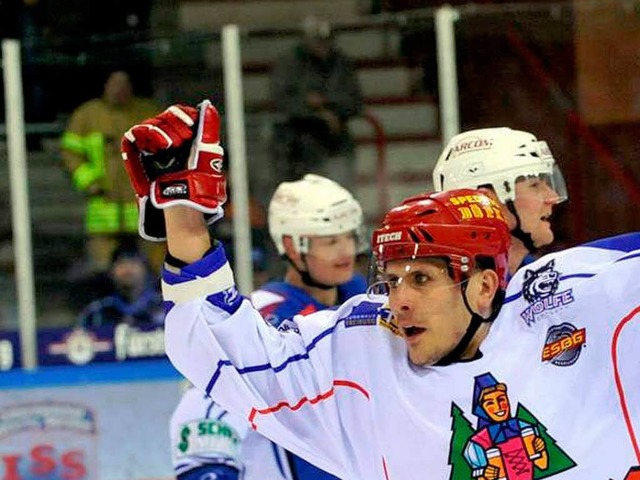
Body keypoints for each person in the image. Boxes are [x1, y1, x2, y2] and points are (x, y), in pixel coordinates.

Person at [122, 102, 640, 479]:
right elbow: (224, 352)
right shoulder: (364, 343)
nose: (399, 299)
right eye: (391, 280)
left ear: (485, 285)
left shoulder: (580, 294)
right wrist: (184, 219)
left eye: (421, 279)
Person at [169, 173, 366, 480]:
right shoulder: (265, 313)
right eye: (330, 241)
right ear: (291, 245)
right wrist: (209, 463)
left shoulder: (364, 298)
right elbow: (215, 385)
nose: (345, 251)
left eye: (350, 237)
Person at [61, 70, 162, 274]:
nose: (120, 89)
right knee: (101, 268)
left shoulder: (149, 112)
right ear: (104, 86)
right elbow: (70, 153)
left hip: (143, 206)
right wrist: (90, 181)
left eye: (125, 83)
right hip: (103, 207)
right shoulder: (86, 115)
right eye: (115, 83)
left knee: (158, 264)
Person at [432, 127, 568, 276]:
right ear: (485, 202)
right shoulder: (448, 293)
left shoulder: (537, 275)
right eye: (535, 185)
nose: (553, 197)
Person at [270, 15, 364, 193]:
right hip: (296, 147)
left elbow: (355, 101)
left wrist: (324, 102)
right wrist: (318, 114)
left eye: (326, 40)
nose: (323, 46)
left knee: (340, 194)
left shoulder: (341, 63)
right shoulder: (289, 63)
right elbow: (282, 101)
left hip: (335, 144)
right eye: (317, 41)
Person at [77, 239, 163, 327]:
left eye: (133, 263)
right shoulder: (96, 313)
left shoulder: (163, 308)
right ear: (110, 271)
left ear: (145, 269)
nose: (127, 269)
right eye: (121, 263)